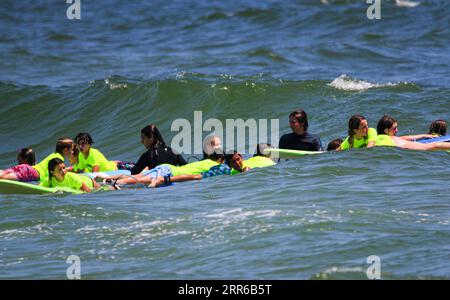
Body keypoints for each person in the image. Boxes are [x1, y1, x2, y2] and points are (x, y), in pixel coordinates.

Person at [0, 138, 73, 182]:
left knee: (3, 172)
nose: (72, 152)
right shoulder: (59, 159)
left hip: (27, 168)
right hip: (32, 173)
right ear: (66, 150)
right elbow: (57, 174)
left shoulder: (54, 154)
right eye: (72, 149)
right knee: (4, 177)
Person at [375, 115, 450, 151]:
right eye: (394, 128)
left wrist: (423, 135)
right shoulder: (392, 139)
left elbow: (404, 138)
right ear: (386, 131)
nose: (397, 130)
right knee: (435, 146)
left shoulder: (383, 139)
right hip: (422, 147)